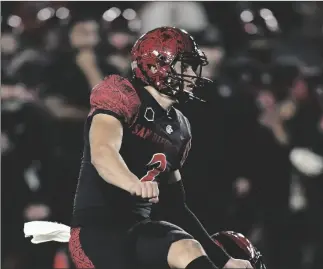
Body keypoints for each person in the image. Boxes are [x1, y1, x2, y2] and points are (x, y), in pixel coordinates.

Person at [68, 26, 253, 269]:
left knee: (188, 247)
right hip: (98, 231)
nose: (192, 74)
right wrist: (132, 183)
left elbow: (176, 207)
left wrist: (225, 261)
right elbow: (102, 152)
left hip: (141, 228)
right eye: (183, 66)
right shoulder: (121, 94)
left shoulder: (180, 126)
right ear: (155, 67)